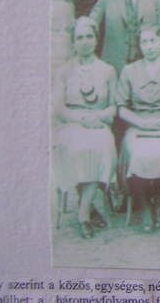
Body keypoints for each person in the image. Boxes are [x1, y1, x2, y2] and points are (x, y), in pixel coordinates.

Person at [52, 17, 117, 239]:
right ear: (73, 42)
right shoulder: (63, 71)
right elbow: (58, 107)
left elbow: (114, 107)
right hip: (72, 123)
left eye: (89, 36)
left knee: (101, 148)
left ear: (96, 40)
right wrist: (81, 118)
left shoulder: (108, 70)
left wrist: (97, 116)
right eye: (79, 37)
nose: (85, 41)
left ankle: (83, 212)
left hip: (98, 123)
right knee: (76, 149)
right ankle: (87, 211)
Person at [116, 26, 160, 231]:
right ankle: (146, 205)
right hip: (139, 125)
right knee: (135, 154)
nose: (149, 46)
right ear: (139, 45)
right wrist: (140, 122)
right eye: (144, 42)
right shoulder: (129, 70)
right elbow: (121, 108)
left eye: (153, 41)